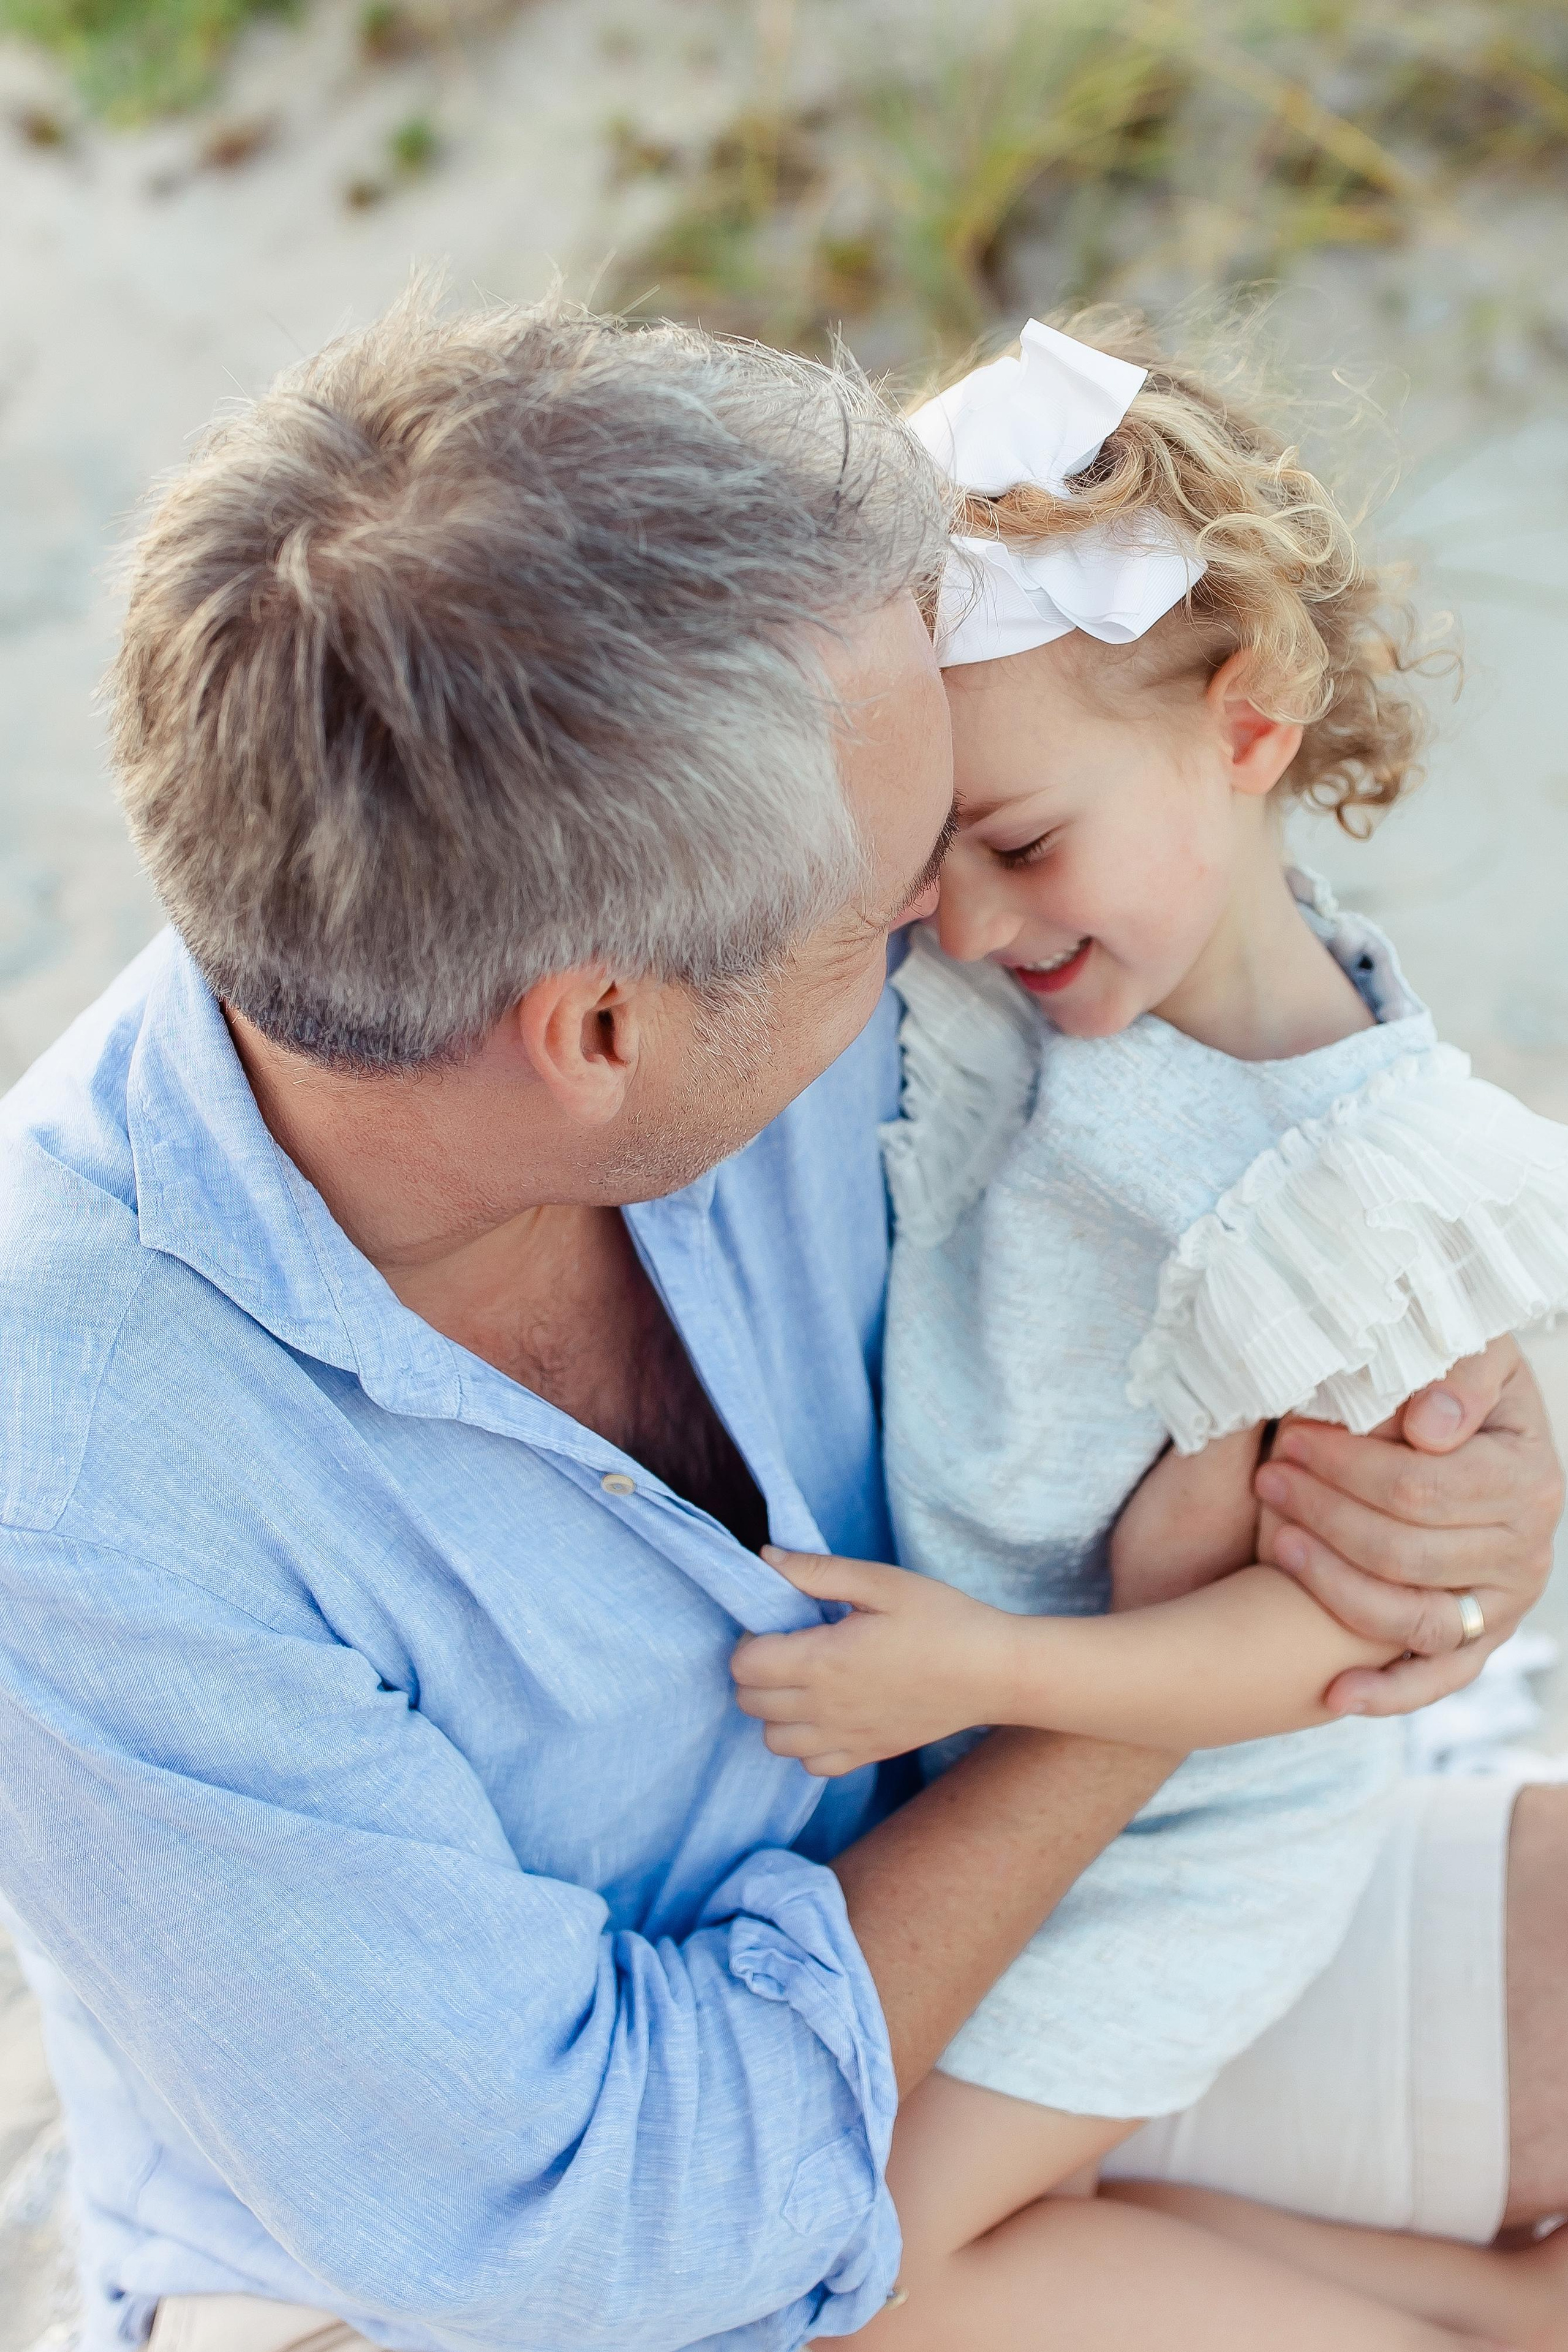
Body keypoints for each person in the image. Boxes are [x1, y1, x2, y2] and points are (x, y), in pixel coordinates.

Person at [0, 287, 1560, 2352]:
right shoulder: (86, 1474)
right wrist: (1109, 1702)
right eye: (898, 895)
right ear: (602, 1028)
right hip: (519, 2258)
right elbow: (623, 2240)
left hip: (964, 1891)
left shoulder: (701, 892)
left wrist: (1456, 1484)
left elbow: (1238, 1077)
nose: (952, 935)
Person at [729, 314, 1568, 2346]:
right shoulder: (1042, 1009)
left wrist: (990, 1668)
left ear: (1254, 726)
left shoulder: (1348, 1176)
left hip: (1183, 1821)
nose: (977, 924)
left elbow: (1334, 1631)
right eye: (936, 867)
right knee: (978, 2209)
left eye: (1020, 847)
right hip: (1007, 1773)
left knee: (885, 2274)